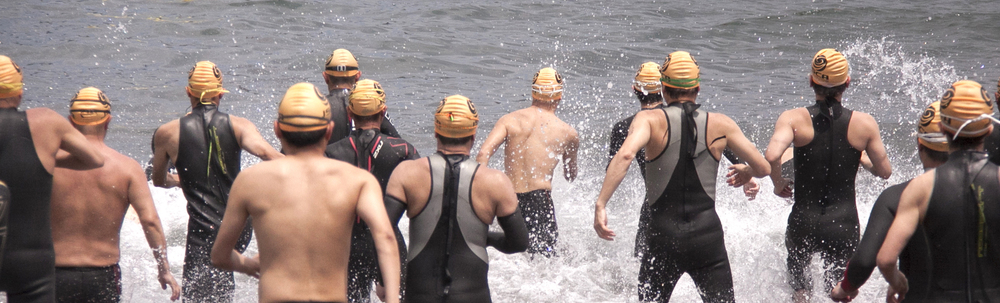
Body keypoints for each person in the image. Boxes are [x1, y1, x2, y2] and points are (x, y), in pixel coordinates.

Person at [593, 51, 771, 303]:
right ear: (698, 88)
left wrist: (601, 204)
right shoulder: (722, 123)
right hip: (707, 238)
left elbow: (624, 157)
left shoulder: (648, 120)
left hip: (663, 235)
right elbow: (764, 167)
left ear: (664, 89)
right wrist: (747, 171)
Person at [211, 82, 401, 303]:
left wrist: (249, 265)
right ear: (329, 131)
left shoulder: (251, 181)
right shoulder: (358, 181)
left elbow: (220, 255)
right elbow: (385, 238)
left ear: (277, 130)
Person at [764, 48, 892, 302]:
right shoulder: (864, 124)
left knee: (801, 290)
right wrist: (863, 158)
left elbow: (771, 155)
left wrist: (778, 183)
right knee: (839, 291)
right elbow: (885, 172)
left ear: (811, 81)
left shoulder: (793, 119)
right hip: (843, 223)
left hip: (803, 219)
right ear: (847, 82)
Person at [151, 61, 282, 302]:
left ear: (188, 92)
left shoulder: (167, 133)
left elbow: (158, 180)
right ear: (220, 94)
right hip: (239, 229)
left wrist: (180, 181)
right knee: (221, 281)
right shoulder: (239, 125)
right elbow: (268, 155)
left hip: (203, 232)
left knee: (203, 290)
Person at [385, 95, 528, 302]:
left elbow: (382, 231)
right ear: (473, 134)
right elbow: (519, 243)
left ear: (436, 131)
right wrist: (486, 238)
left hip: (420, 297)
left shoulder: (406, 173)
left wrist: (387, 282)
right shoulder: (496, 182)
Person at [609, 62, 760, 258]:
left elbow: (615, 167)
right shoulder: (688, 118)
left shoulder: (624, 127)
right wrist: (748, 175)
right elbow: (724, 143)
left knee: (644, 266)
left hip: (655, 207)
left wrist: (601, 205)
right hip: (697, 209)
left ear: (635, 89)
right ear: (662, 89)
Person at [51, 87, 181, 302]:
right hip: (103, 275)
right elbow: (150, 221)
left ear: (70, 121)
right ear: (108, 121)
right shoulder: (127, 168)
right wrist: (163, 268)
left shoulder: (49, 164)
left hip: (54, 274)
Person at [878, 80, 1000, 303]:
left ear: (943, 128)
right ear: (990, 129)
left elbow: (886, 259)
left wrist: (898, 282)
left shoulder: (921, 187)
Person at [0, 55, 105, 302]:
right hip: (30, 261)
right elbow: (95, 159)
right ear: (19, 93)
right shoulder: (45, 121)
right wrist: (44, 159)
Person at [830, 101, 946, 302]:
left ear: (920, 144)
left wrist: (845, 288)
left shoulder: (898, 196)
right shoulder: (989, 189)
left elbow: (866, 260)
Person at [325, 79, 418, 302]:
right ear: (383, 111)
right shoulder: (402, 150)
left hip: (347, 244)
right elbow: (421, 196)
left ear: (349, 113)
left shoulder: (330, 153)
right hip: (388, 239)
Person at [476, 67, 579, 257]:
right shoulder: (568, 133)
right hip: (540, 201)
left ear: (532, 93)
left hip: (509, 199)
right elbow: (570, 175)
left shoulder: (509, 119)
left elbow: (483, 153)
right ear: (559, 97)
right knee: (545, 261)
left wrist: (480, 191)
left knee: (512, 255)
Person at [322, 49, 399, 140]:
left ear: (326, 77)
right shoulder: (372, 104)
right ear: (357, 76)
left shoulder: (318, 107)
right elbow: (398, 143)